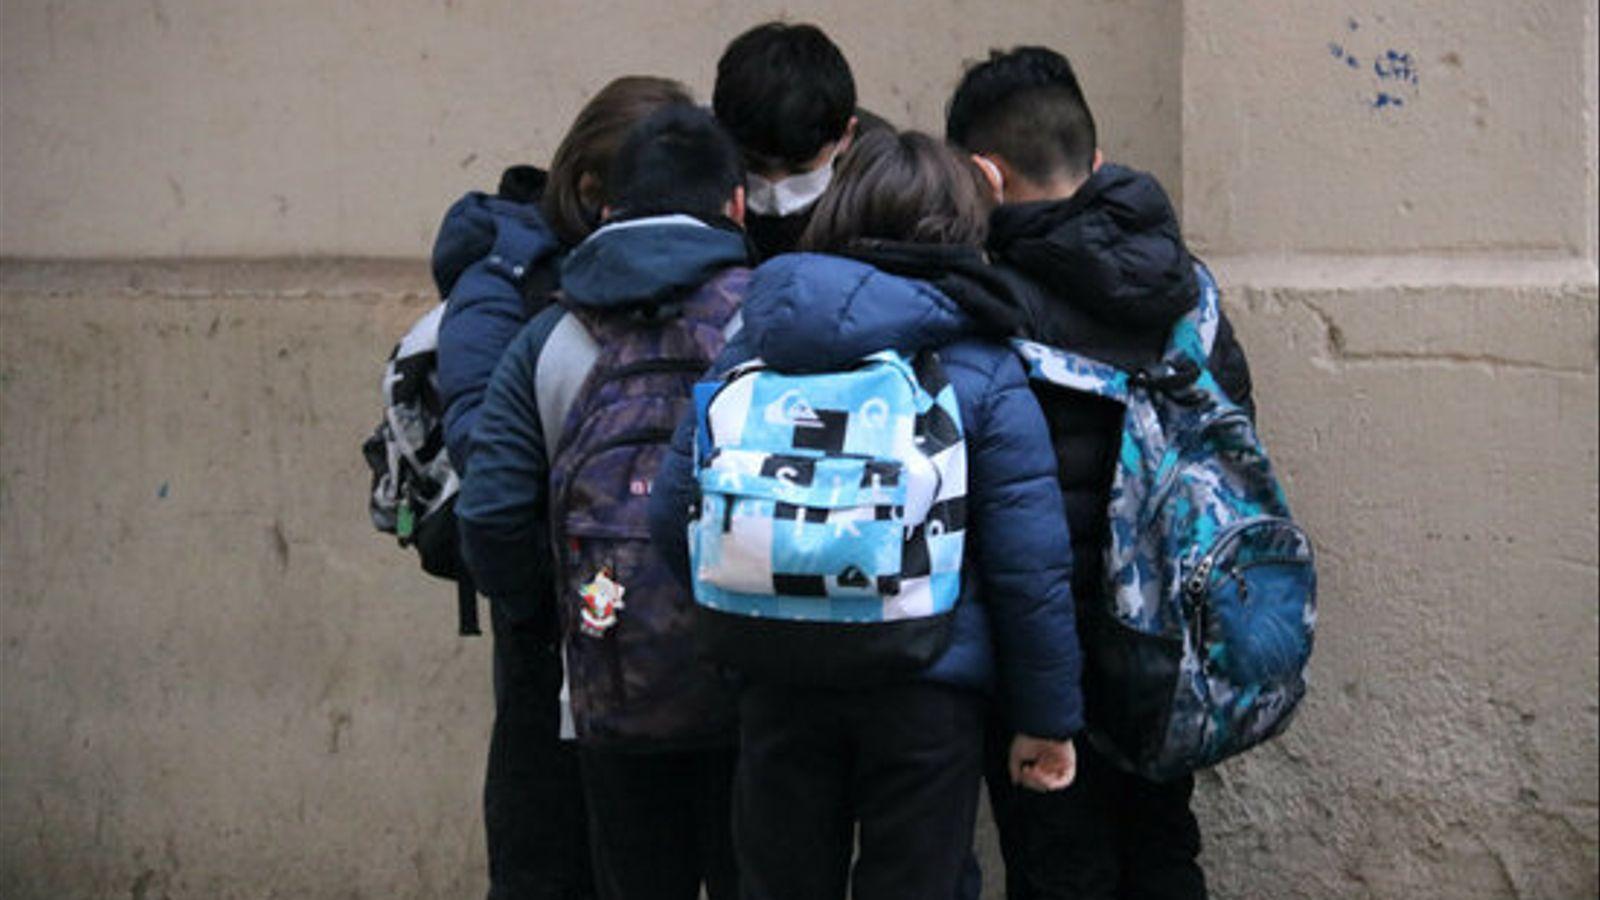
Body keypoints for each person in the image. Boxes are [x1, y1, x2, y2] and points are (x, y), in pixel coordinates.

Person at [648, 128, 1084, 900]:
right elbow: (1030, 570)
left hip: (776, 677)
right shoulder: (981, 367)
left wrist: (751, 600)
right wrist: (1046, 717)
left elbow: (672, 510)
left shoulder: (756, 341)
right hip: (926, 683)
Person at [946, 46, 1256, 900]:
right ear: (1097, 156)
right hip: (1174, 645)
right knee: (1163, 850)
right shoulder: (1188, 288)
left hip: (1045, 660)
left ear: (983, 174)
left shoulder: (984, 303)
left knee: (1057, 866)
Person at [457, 103, 752, 900]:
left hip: (606, 683)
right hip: (754, 688)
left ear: (608, 210)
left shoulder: (550, 338)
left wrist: (558, 616)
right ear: (735, 205)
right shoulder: (770, 320)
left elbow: (488, 513)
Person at [712, 21, 886, 261]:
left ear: (846, 136)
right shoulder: (691, 173)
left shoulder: (886, 195)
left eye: (799, 170)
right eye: (755, 166)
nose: (776, 188)